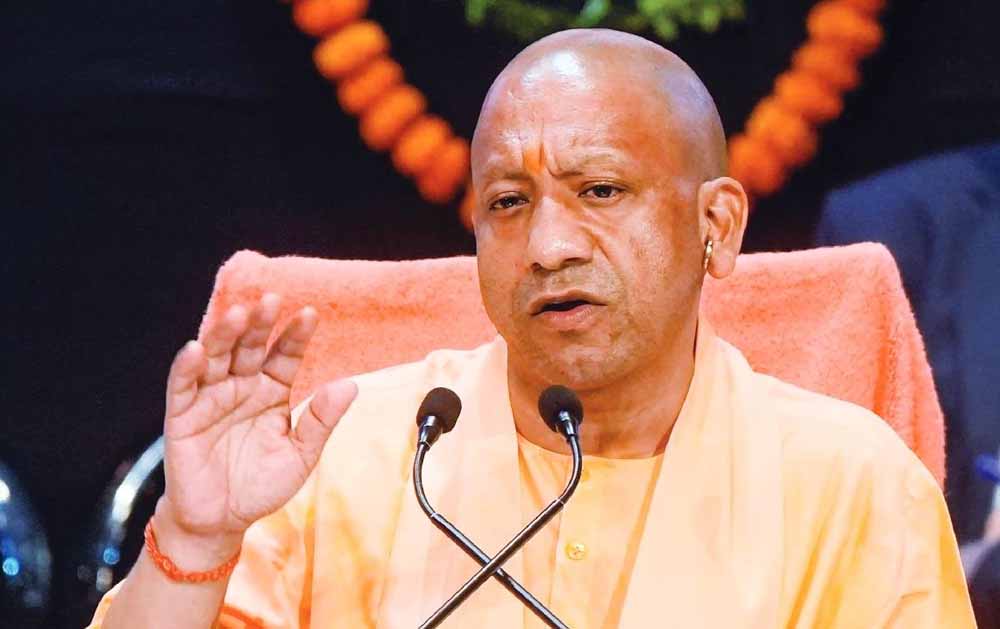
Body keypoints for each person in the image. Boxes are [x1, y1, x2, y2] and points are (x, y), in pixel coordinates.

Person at [90, 29, 974, 628]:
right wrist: (196, 539)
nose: (548, 246)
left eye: (600, 191)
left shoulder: (851, 483)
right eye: (509, 203)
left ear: (717, 225)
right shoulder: (351, 453)